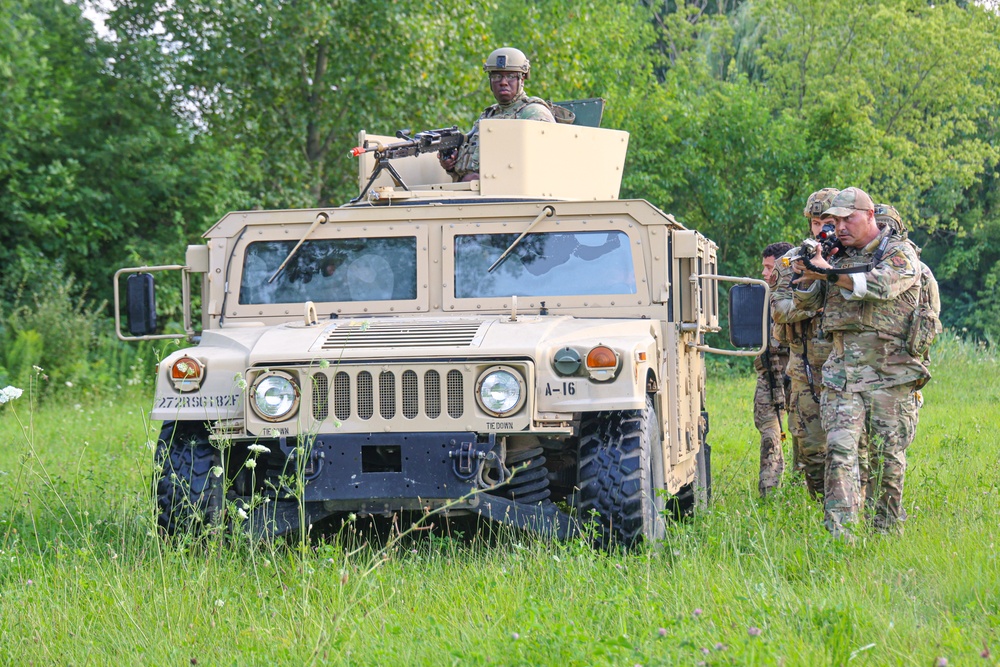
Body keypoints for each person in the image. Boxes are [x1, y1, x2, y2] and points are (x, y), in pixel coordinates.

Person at [793, 187, 928, 539]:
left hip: (890, 374)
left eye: (847, 219)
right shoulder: (834, 256)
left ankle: (884, 532)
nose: (839, 227)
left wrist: (828, 273)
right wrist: (808, 273)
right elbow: (805, 306)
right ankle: (842, 537)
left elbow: (881, 286)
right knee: (839, 452)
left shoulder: (900, 254)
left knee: (887, 458)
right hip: (842, 375)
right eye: (833, 220)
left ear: (869, 216)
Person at [771, 189, 839, 499]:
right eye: (816, 222)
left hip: (852, 371)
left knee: (855, 450)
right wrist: (812, 296)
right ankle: (823, 507)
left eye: (829, 221)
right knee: (812, 450)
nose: (823, 228)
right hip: (807, 372)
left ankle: (851, 513)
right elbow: (779, 310)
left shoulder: (860, 258)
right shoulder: (793, 262)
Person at [440, 47, 556, 182]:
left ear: (522, 79)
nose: (503, 82)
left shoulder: (533, 113)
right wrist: (451, 164)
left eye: (511, 76)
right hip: (470, 192)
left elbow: (543, 164)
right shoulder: (488, 115)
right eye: (496, 76)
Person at [754, 241, 795, 498]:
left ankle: (805, 488)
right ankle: (768, 492)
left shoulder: (804, 292)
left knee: (804, 434)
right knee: (769, 430)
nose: (764, 273)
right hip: (769, 372)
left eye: (769, 268)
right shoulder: (761, 295)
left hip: (799, 373)